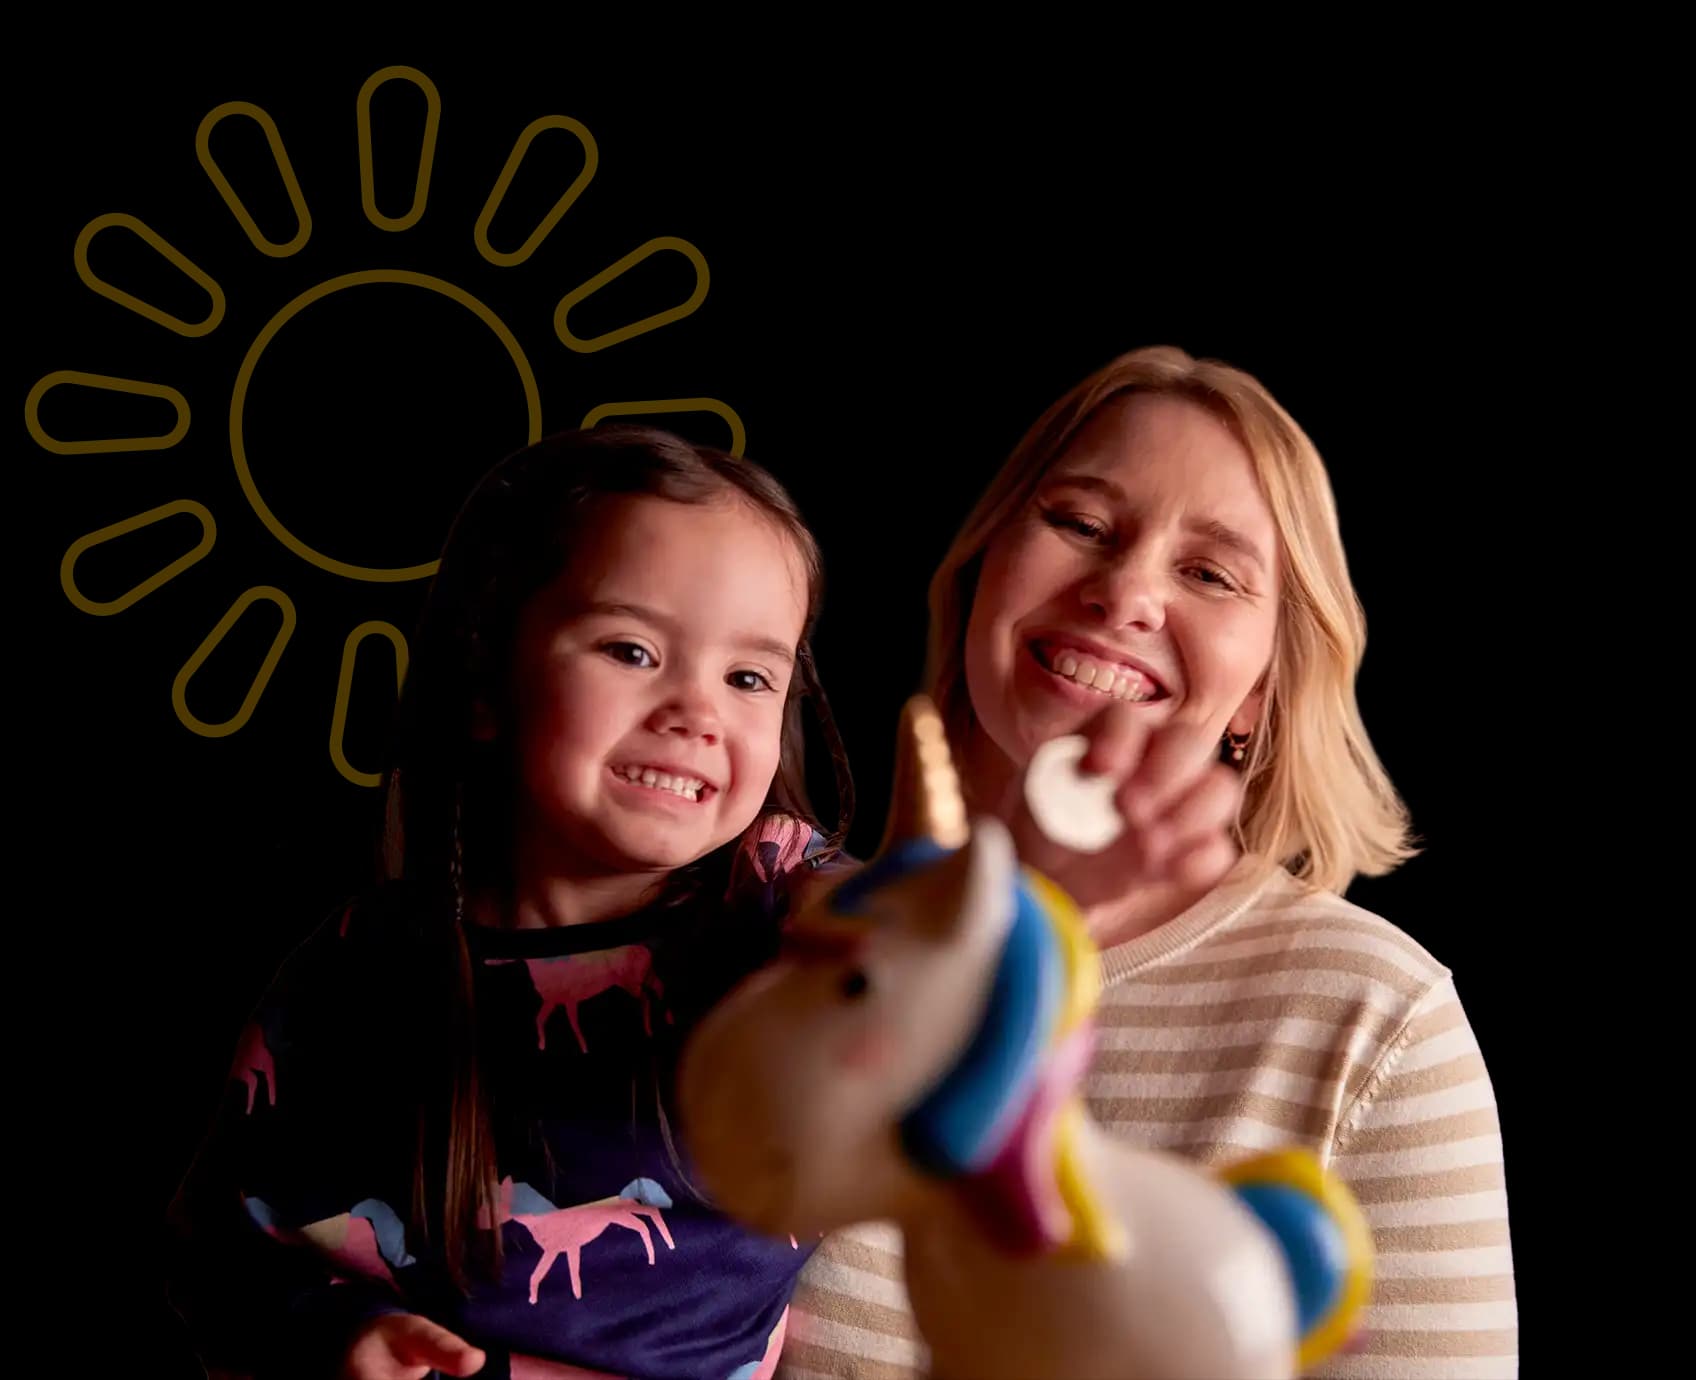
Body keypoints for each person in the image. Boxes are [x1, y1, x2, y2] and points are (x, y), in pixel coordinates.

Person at [780, 347, 1516, 1379]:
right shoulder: (788, 930)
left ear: (1259, 693)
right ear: (987, 561)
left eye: (1209, 573)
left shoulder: (1374, 1020)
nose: (1123, 590)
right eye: (1079, 523)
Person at [167, 425, 854, 1380]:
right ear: (489, 682)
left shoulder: (781, 901)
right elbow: (219, 1242)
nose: (696, 711)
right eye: (632, 649)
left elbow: (907, 934)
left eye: (748, 677)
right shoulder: (362, 964)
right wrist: (338, 1336)